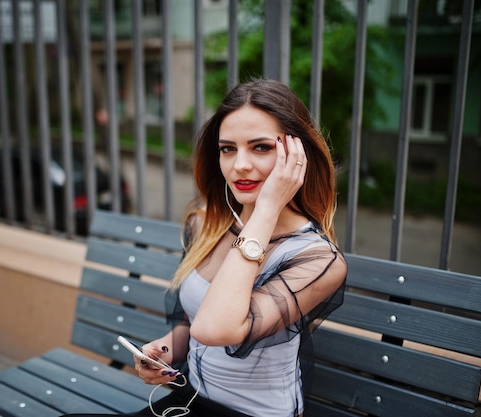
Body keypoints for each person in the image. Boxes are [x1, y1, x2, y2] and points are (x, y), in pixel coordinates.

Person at [61, 79, 347, 417]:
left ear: (296, 156)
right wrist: (164, 349)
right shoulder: (205, 225)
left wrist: (267, 209)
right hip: (190, 403)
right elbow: (193, 325)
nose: (239, 164)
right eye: (228, 148)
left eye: (260, 147)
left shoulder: (317, 259)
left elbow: (216, 329)